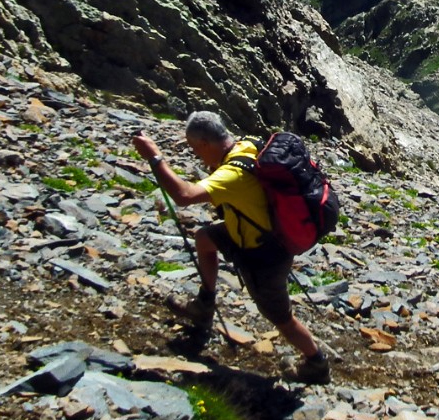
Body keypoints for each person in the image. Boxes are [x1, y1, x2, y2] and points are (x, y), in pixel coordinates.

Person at [132, 111, 331, 384]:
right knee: (205, 238)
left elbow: (183, 195)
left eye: (195, 149)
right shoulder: (247, 146)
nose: (197, 156)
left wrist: (155, 158)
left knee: (281, 318)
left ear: (204, 143)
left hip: (264, 254)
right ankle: (205, 303)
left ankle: (316, 362)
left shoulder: (232, 174)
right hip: (253, 233)